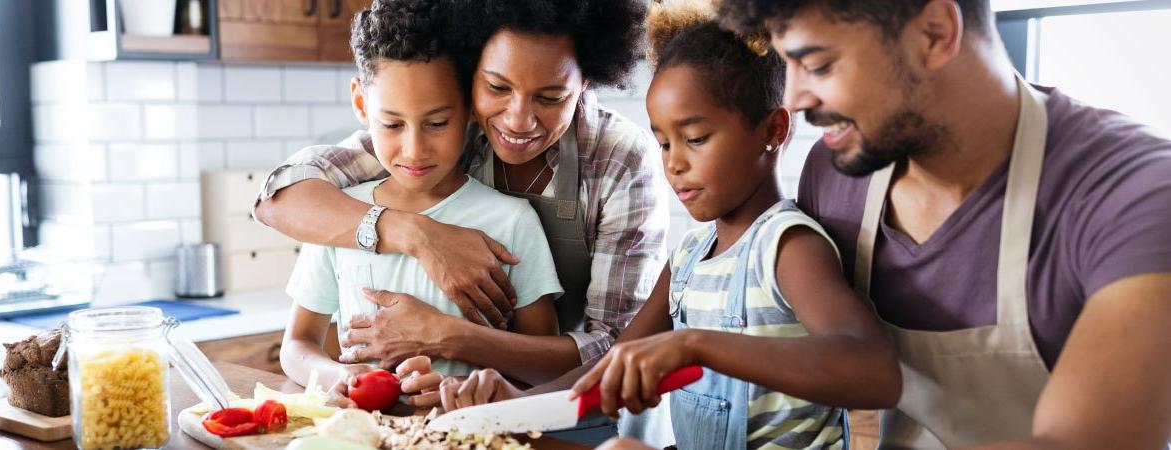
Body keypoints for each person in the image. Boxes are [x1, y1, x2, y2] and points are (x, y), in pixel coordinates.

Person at [696, 0, 1171, 448]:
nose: (795, 98)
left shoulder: (1137, 191)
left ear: (935, 34)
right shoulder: (834, 171)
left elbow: (1082, 443)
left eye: (818, 65)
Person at [441, 5, 902, 449]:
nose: (674, 164)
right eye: (663, 143)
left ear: (773, 131)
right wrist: (514, 407)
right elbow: (608, 369)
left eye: (695, 139)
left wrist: (694, 344)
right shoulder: (688, 259)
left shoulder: (786, 246)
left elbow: (874, 372)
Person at [254, 0, 667, 404]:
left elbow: (617, 348)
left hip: (587, 410)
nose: (518, 121)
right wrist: (422, 236)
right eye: (497, 88)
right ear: (472, 84)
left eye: (550, 97)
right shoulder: (439, 125)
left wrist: (446, 335)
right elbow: (279, 196)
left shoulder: (618, 158)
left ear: (586, 82)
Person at [278, 0, 565, 408]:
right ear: (361, 104)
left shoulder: (511, 221)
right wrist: (334, 375)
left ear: (469, 106)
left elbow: (543, 365)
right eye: (392, 124)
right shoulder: (339, 216)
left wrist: (466, 386)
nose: (414, 150)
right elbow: (297, 344)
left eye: (437, 123)